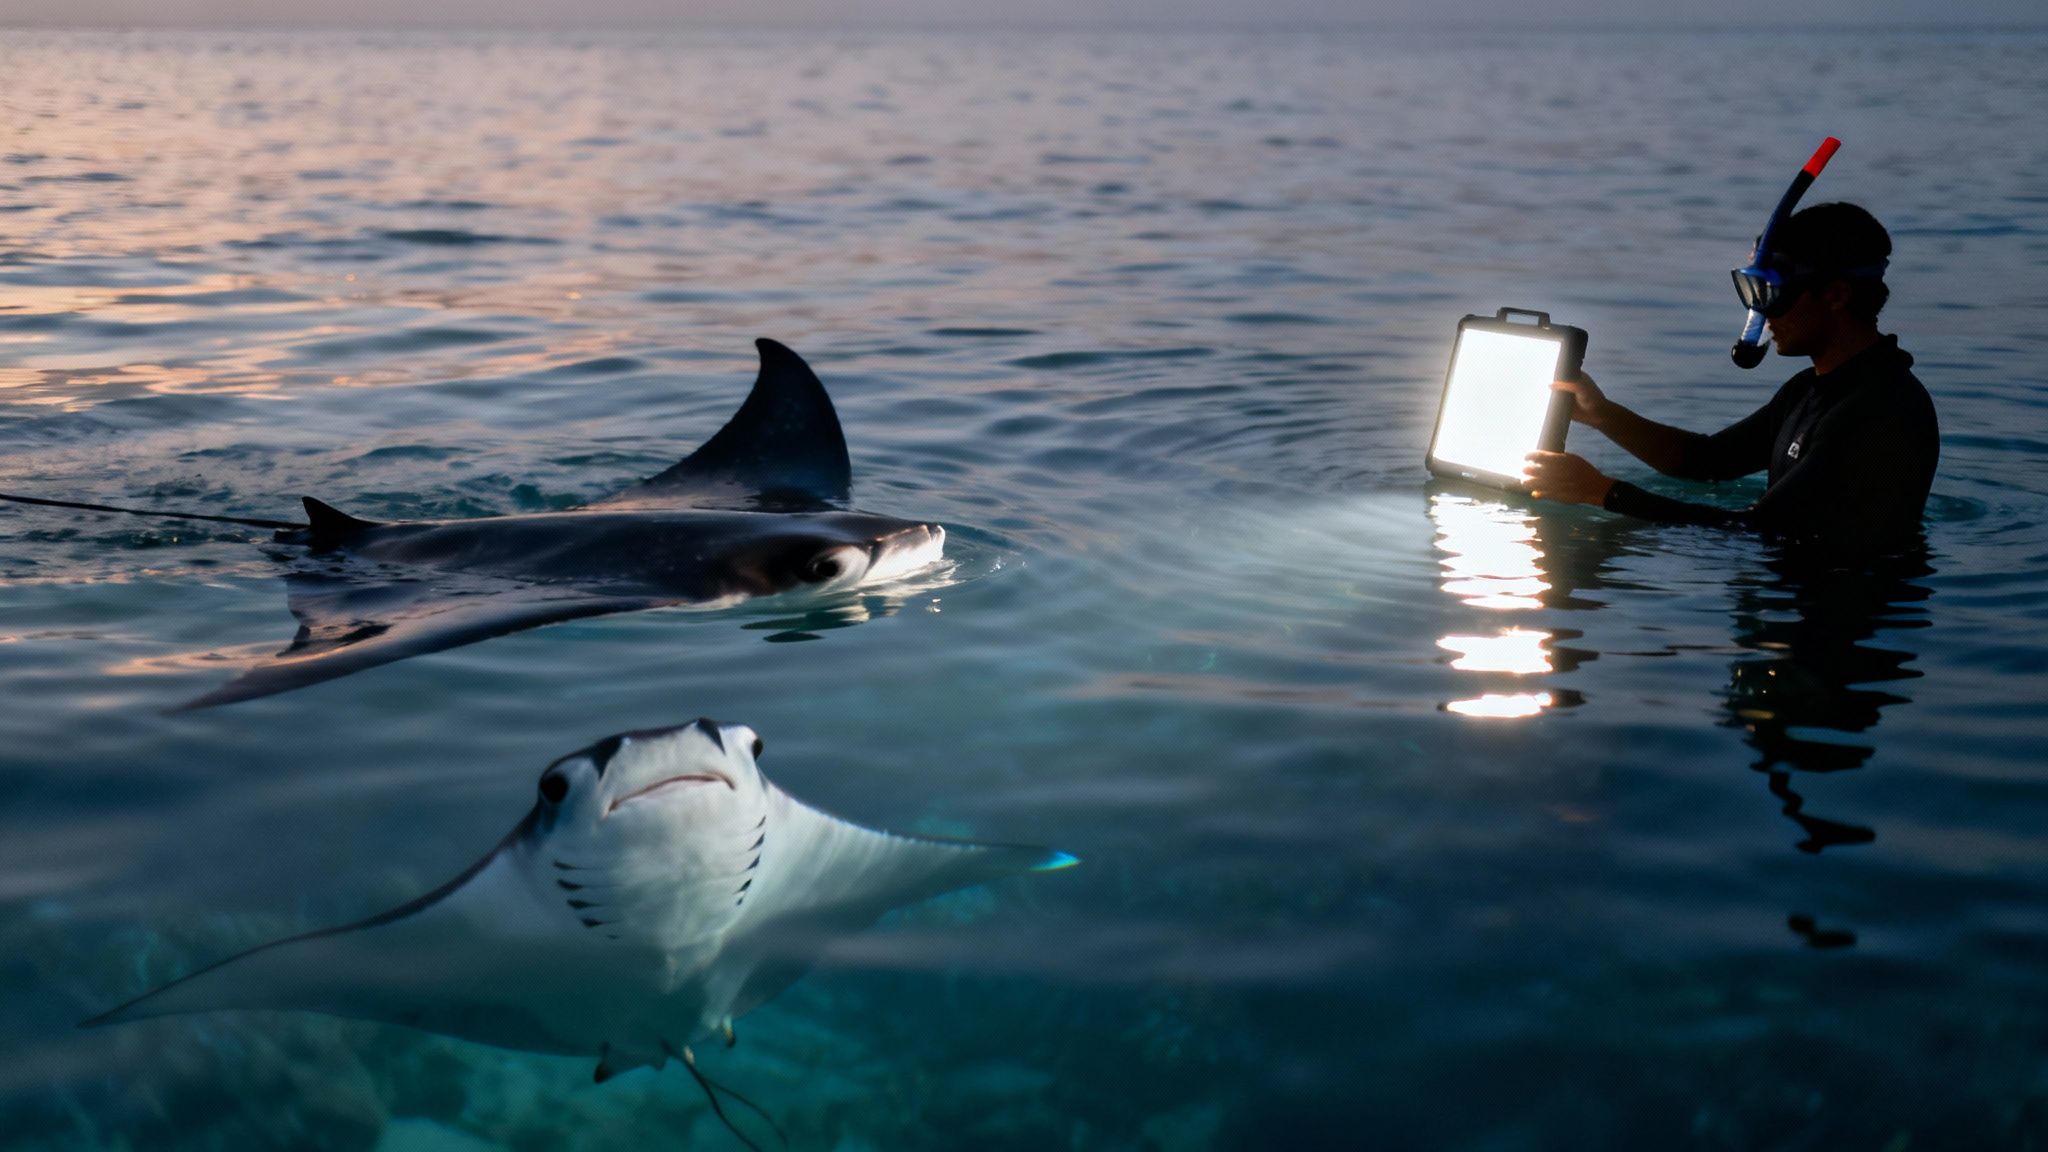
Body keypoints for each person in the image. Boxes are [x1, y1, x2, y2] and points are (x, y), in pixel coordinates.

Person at [1522, 202, 1938, 552]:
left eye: (1771, 292)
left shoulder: (1883, 409)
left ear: (1835, 295)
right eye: (1752, 291)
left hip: (1845, 620)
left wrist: (1601, 493)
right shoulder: (1810, 390)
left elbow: (1761, 530)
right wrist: (1603, 415)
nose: (1759, 314)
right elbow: (1706, 461)